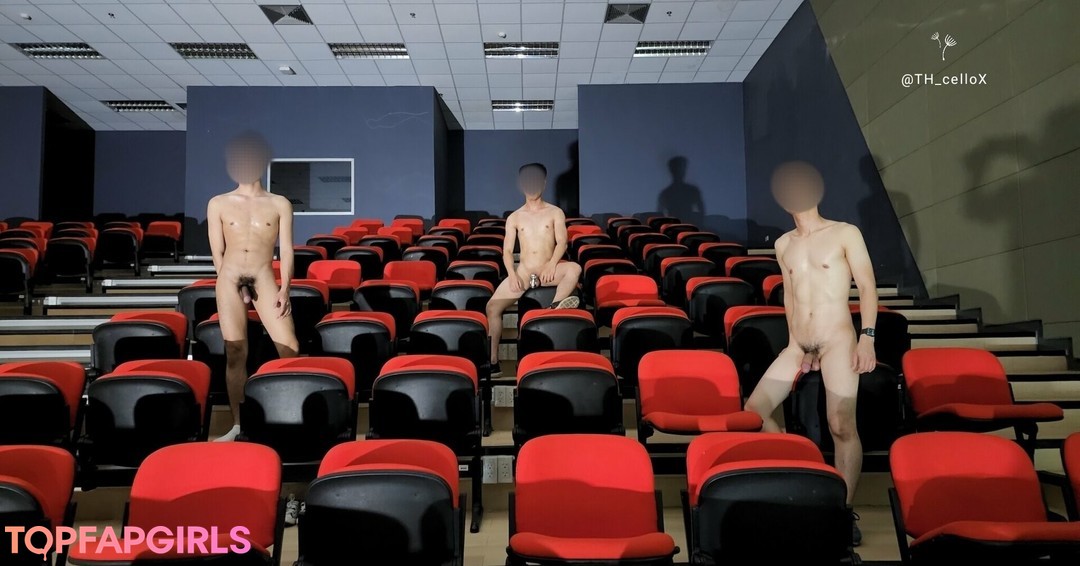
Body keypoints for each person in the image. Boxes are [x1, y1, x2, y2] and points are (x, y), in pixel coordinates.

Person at [743, 161, 878, 545]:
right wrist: (796, 343)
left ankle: (842, 511)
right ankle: (803, 473)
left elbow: (867, 286)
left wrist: (867, 337)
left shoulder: (845, 233)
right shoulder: (783, 244)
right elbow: (790, 297)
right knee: (754, 412)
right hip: (798, 344)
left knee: (841, 424)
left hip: (838, 340)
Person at [206, 133, 300, 442]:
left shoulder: (279, 203)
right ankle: (238, 426)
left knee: (289, 348)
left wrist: (285, 288)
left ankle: (288, 418)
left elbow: (287, 249)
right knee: (235, 350)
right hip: (230, 276)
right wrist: (229, 284)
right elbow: (217, 252)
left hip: (263, 275)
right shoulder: (218, 203)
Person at [486, 163, 583, 375]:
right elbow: (507, 251)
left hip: (549, 270)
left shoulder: (555, 212)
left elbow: (562, 242)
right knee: (492, 307)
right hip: (523, 273)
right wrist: (512, 274)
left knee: (574, 269)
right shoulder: (515, 217)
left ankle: (554, 307)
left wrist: (552, 264)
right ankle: (493, 362)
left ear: (544, 183)